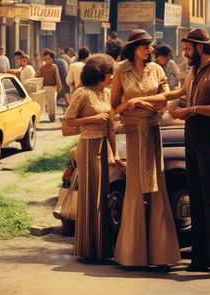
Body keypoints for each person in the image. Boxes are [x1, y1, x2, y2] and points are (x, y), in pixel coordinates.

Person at [129, 28, 210, 277]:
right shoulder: (195, 70)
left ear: (200, 47)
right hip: (193, 137)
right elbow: (178, 93)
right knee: (196, 198)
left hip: (209, 138)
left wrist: (193, 110)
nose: (185, 53)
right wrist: (145, 100)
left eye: (188, 49)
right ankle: (200, 258)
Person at [111, 30, 180, 270]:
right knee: (134, 188)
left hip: (152, 129)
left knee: (157, 187)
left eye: (150, 46)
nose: (149, 50)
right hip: (132, 132)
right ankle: (132, 254)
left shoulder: (157, 70)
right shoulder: (121, 70)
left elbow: (165, 99)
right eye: (145, 46)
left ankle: (162, 255)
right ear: (134, 48)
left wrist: (145, 103)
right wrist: (131, 103)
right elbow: (114, 106)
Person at [61, 54, 117, 261]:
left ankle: (103, 247)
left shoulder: (107, 93)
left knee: (103, 195)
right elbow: (69, 120)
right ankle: (89, 249)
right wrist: (93, 118)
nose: (113, 77)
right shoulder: (82, 93)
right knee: (90, 195)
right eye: (110, 73)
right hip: (88, 146)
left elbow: (111, 126)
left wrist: (115, 153)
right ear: (101, 74)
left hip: (104, 146)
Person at [37, 50, 62, 122]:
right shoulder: (42, 67)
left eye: (49, 59)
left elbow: (57, 76)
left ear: (53, 59)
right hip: (45, 87)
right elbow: (40, 76)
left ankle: (53, 116)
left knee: (53, 101)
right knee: (48, 102)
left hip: (52, 87)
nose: (47, 60)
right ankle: (50, 115)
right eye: (46, 59)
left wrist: (59, 85)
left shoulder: (54, 67)